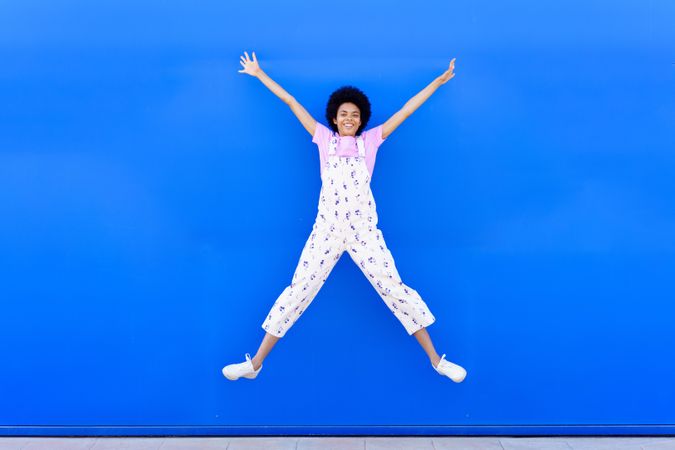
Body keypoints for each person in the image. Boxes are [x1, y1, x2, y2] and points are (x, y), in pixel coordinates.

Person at [222, 51, 466, 383]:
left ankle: (437, 361)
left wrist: (437, 83)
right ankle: (255, 364)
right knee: (299, 290)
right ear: (334, 119)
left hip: (364, 232)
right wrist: (259, 74)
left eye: (354, 114)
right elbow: (292, 102)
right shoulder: (324, 139)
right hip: (327, 231)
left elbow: (406, 111)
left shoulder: (371, 142)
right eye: (343, 114)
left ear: (361, 118)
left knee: (394, 289)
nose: (349, 117)